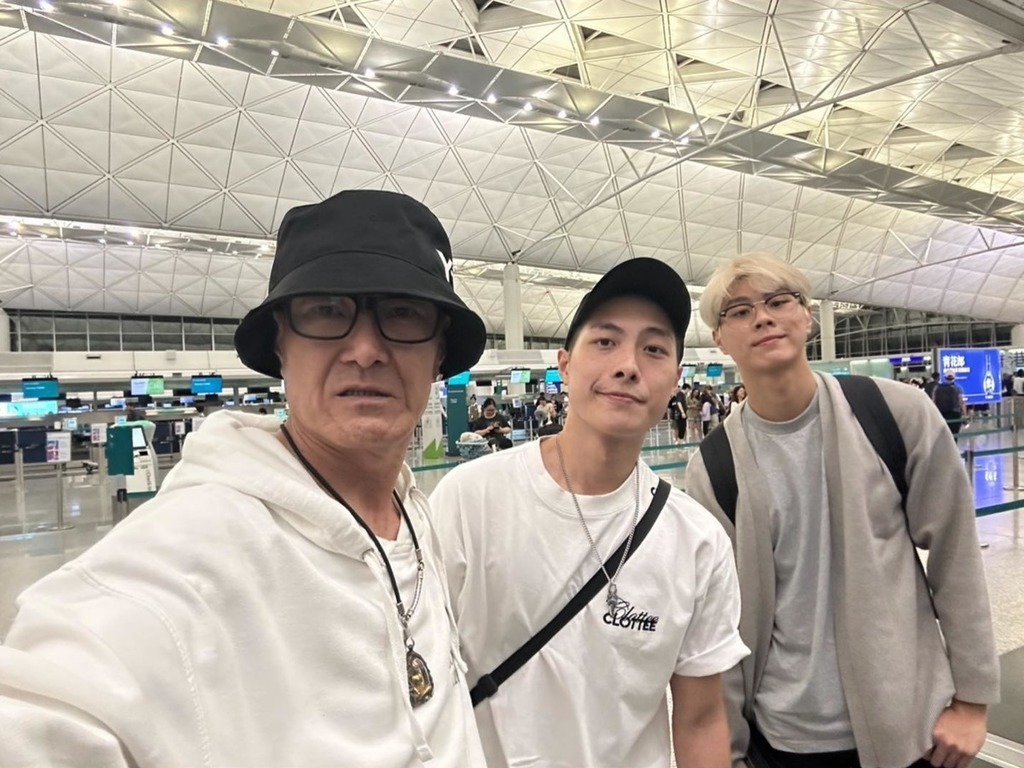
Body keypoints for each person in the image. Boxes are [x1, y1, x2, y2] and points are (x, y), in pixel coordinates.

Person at [0, 190, 488, 767]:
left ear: (439, 353)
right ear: (281, 344)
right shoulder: (192, 551)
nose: (364, 350)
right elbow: (57, 705)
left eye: (403, 313)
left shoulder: (411, 512)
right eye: (326, 310)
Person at [685, 253, 1000, 768]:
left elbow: (955, 555)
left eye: (778, 301)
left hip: (909, 727)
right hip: (784, 738)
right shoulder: (715, 466)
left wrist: (972, 700)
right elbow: (719, 620)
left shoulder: (894, 413)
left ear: (807, 316)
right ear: (719, 339)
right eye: (739, 311)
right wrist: (731, 750)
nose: (762, 318)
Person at [432, 258, 749, 768]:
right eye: (605, 341)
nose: (628, 365)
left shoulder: (698, 541)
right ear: (564, 364)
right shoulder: (470, 499)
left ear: (675, 380)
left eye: (653, 349)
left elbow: (700, 719)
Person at [932, 370, 967, 435]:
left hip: (942, 414)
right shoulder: (958, 388)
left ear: (945, 378)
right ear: (954, 377)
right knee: (954, 434)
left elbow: (934, 401)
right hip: (955, 414)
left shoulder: (937, 388)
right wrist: (965, 414)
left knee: (944, 434)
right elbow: (961, 402)